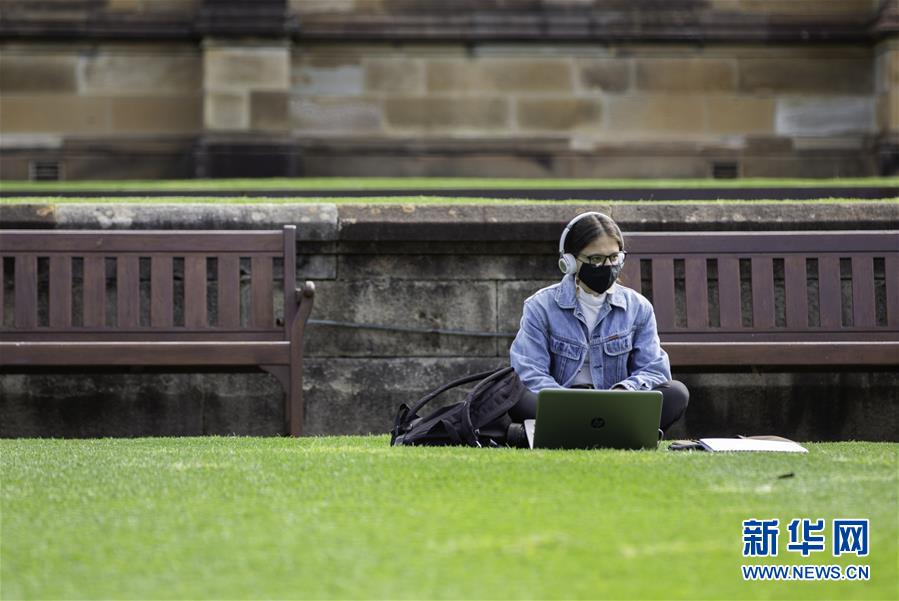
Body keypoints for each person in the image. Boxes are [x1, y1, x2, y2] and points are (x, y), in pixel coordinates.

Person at [508, 211, 689, 435]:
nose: (607, 265)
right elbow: (528, 370)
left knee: (676, 393)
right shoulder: (540, 305)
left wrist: (624, 391)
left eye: (614, 257)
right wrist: (568, 401)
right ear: (570, 262)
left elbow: (655, 370)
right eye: (595, 259)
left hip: (617, 404)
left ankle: (573, 432)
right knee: (515, 396)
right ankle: (612, 432)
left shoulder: (638, 307)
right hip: (561, 404)